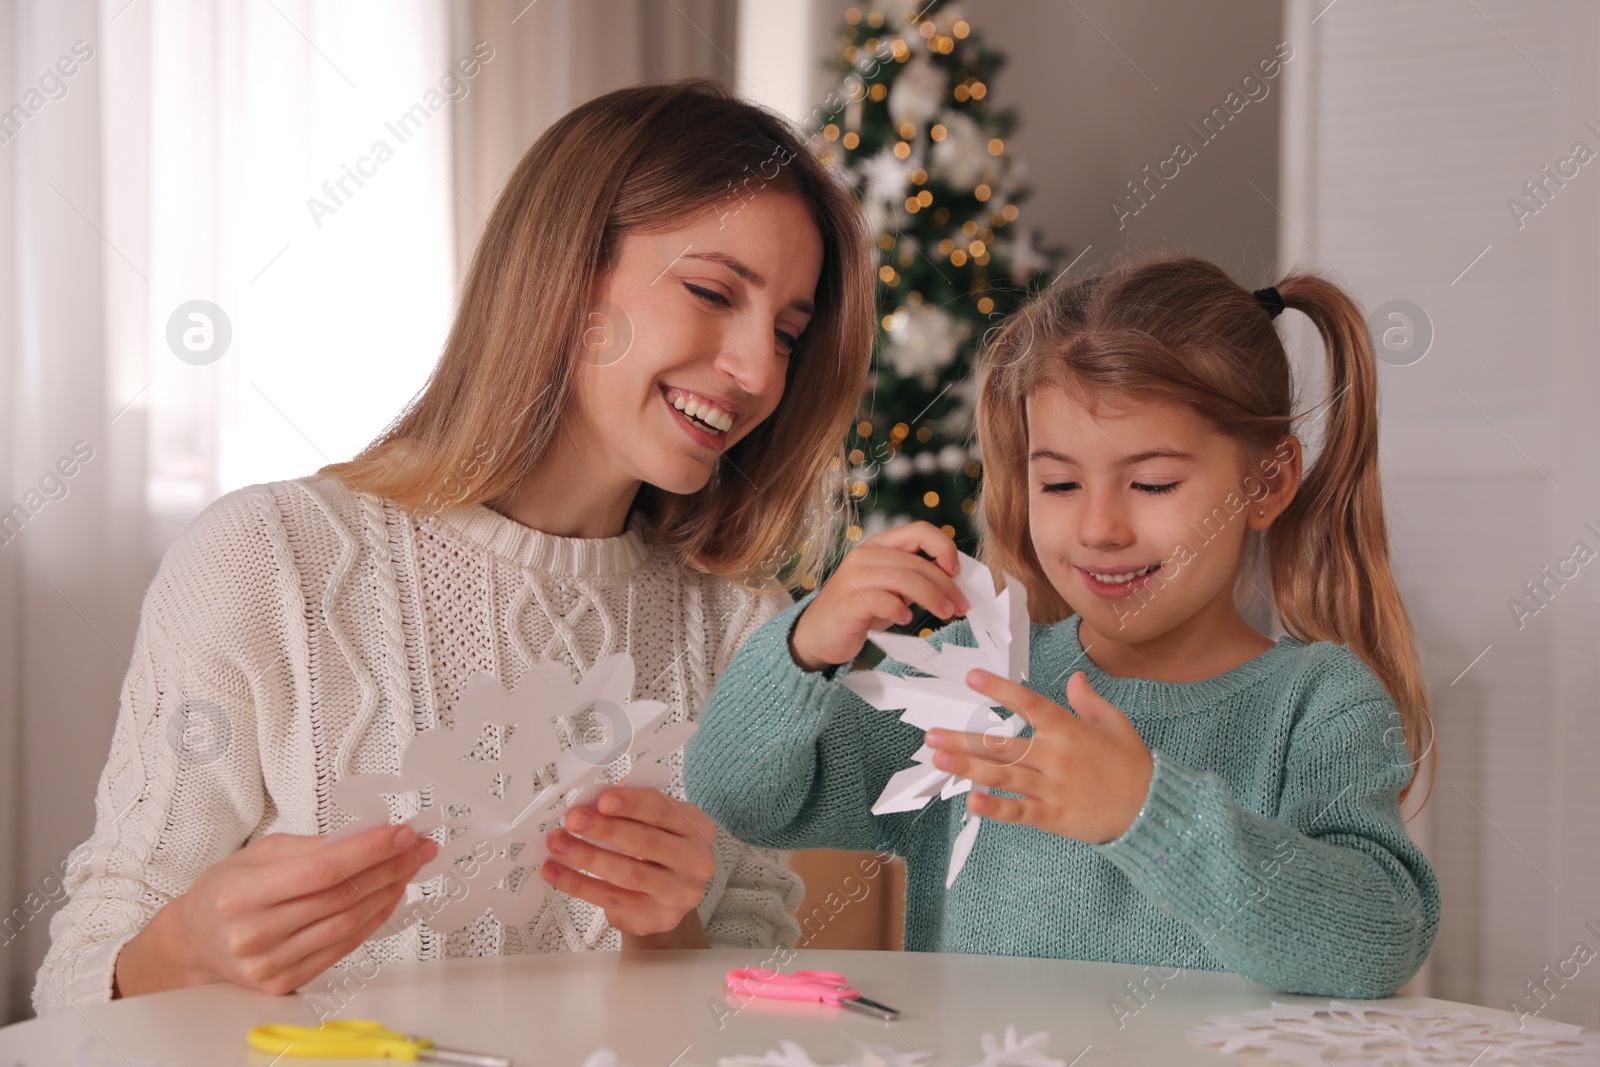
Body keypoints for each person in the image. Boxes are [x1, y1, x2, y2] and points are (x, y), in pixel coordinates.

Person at [34, 77, 874, 1014]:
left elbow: (754, 1009)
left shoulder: (746, 632)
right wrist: (187, 946)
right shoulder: (267, 559)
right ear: (565, 276)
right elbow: (77, 984)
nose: (758, 370)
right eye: (714, 291)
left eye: (790, 334)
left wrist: (665, 935)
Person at [684, 252, 1441, 998]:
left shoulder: (1318, 704)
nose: (1099, 527)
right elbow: (741, 799)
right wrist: (806, 646)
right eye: (1060, 482)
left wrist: (1148, 814)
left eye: (1152, 482)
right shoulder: (978, 679)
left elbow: (1377, 945)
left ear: (1267, 482)